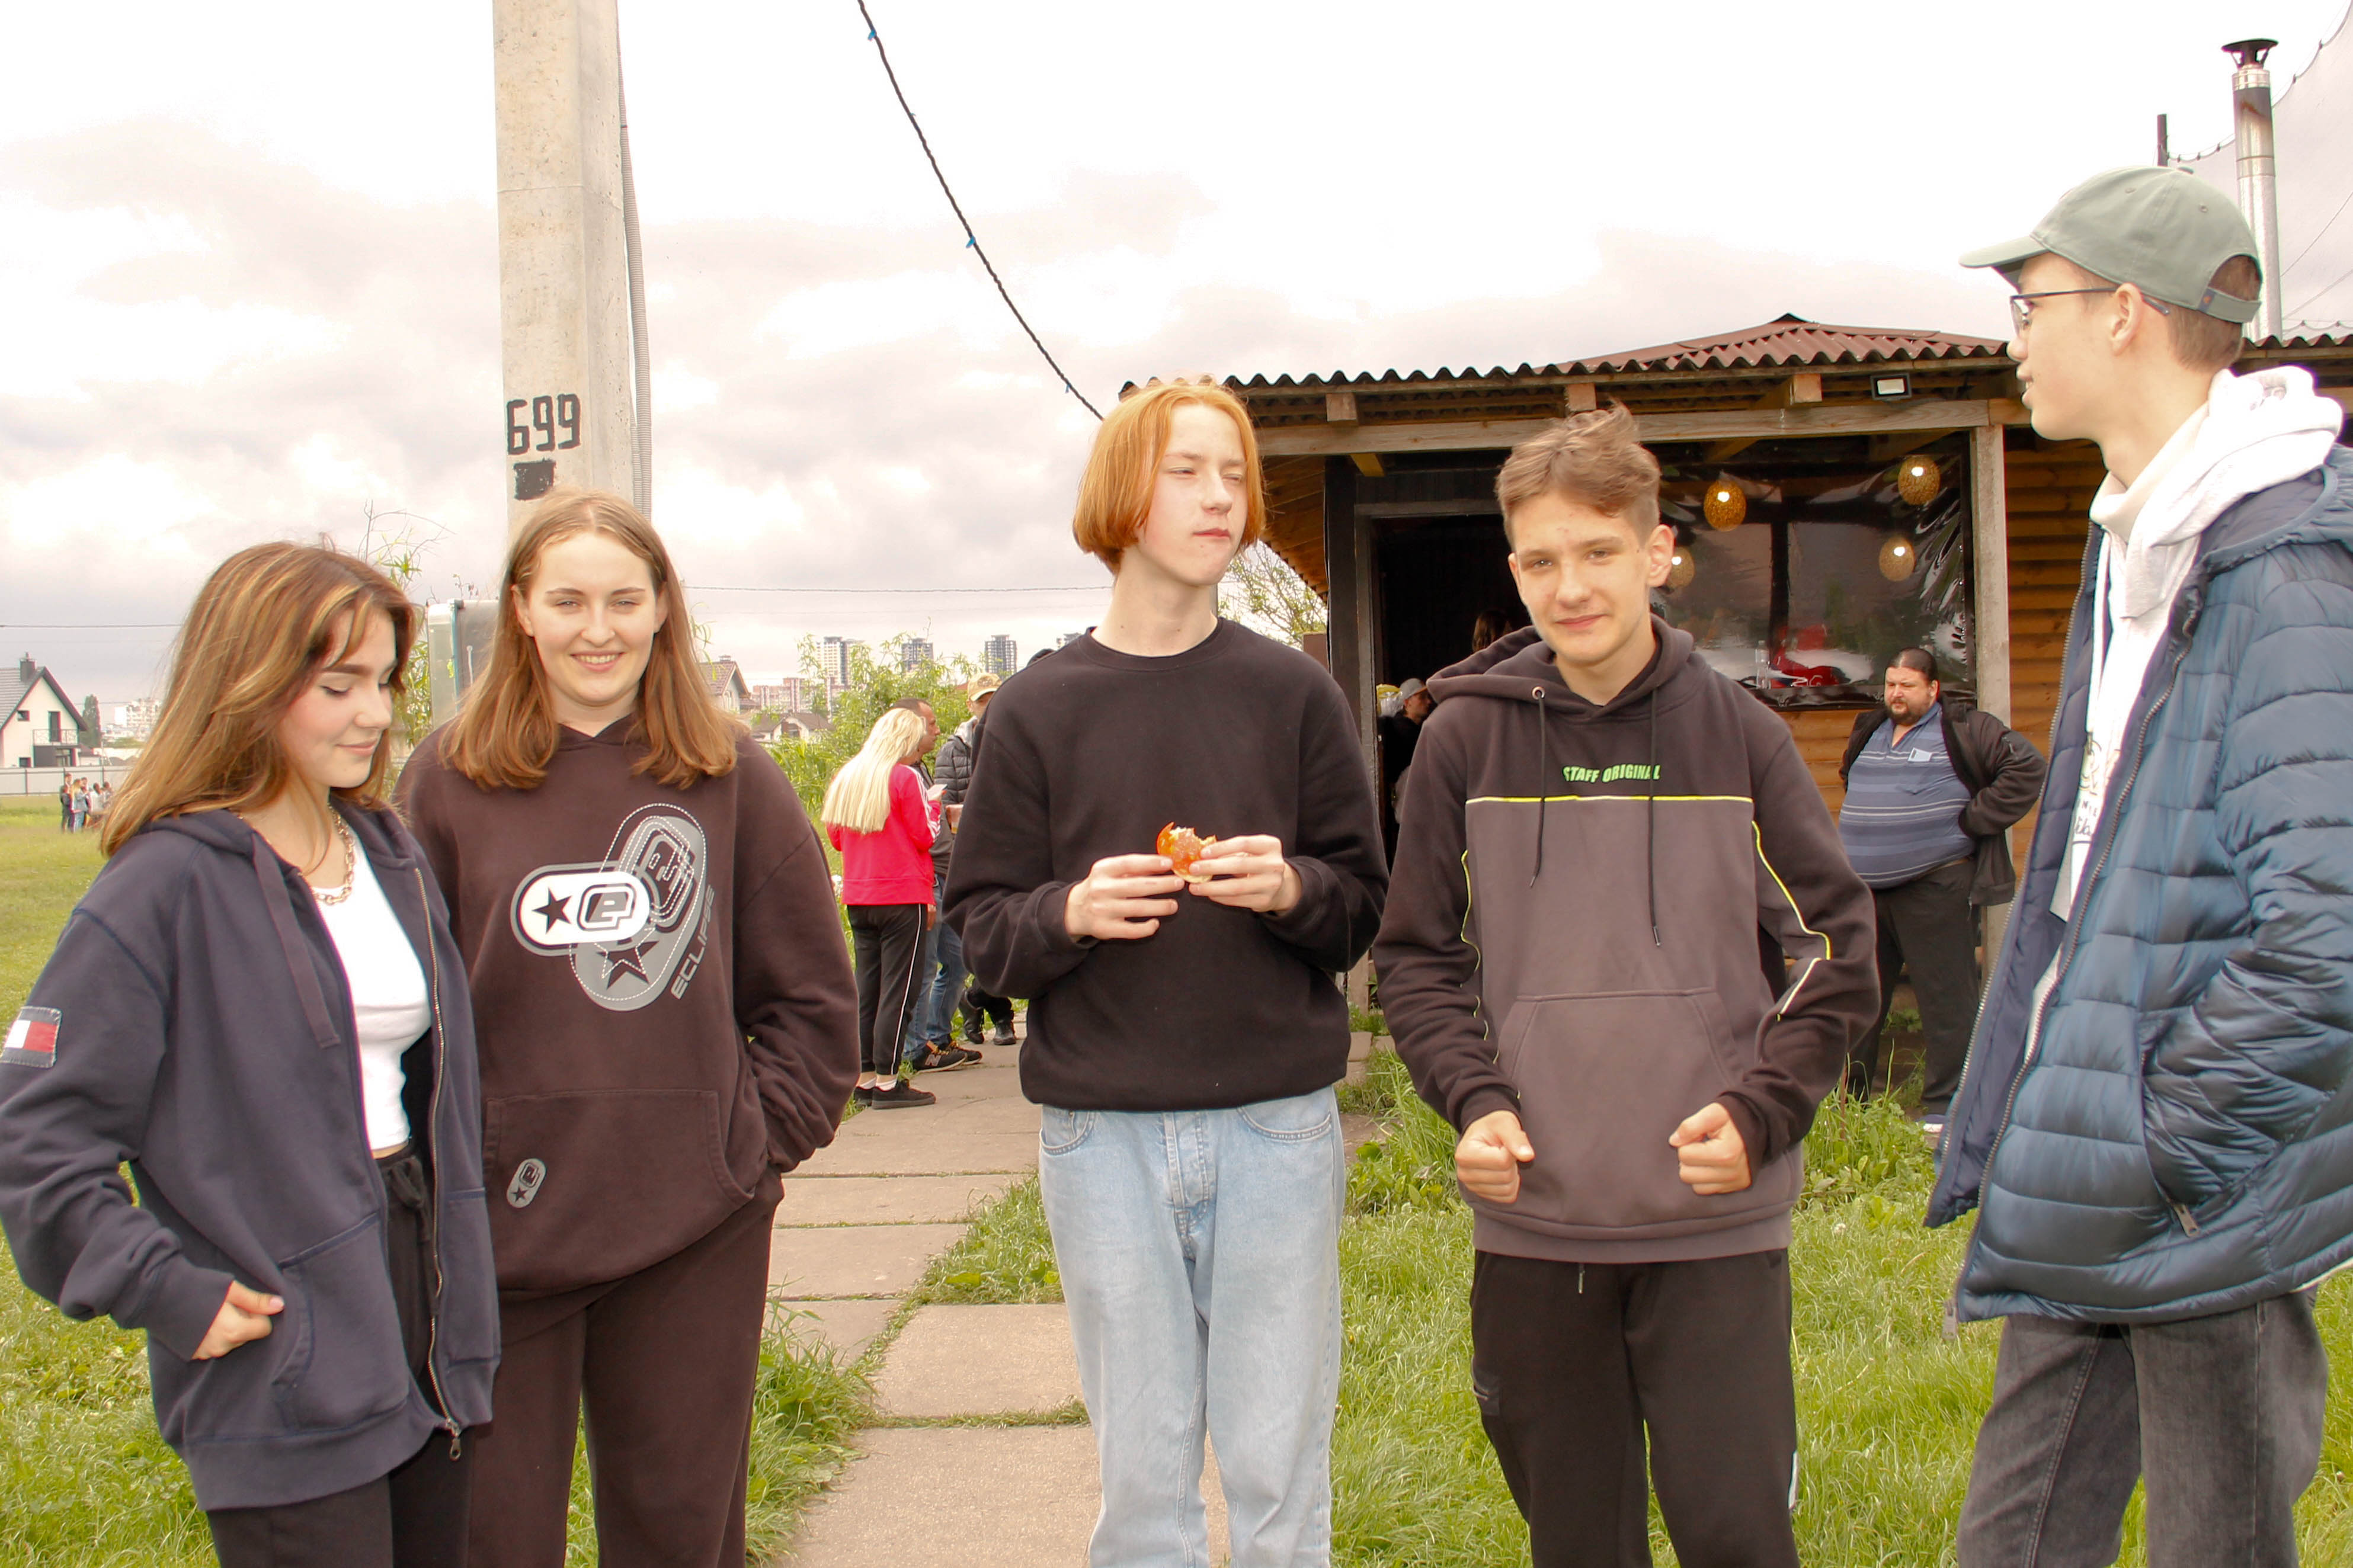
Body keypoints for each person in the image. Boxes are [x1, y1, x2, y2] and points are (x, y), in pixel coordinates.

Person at [1928, 168, 2353, 1567]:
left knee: (2213, 1540)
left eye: (2030, 304)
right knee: (2016, 1535)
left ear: (2121, 312)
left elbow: (2327, 931)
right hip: (2092, 1143)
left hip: (2189, 1176)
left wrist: (2166, 1144)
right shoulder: (2140, 540)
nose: (2014, 336)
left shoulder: (2283, 567)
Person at [1375, 405, 1876, 1568]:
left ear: (1656, 554)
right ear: (1514, 571)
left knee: (1734, 1535)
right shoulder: (1460, 745)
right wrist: (1471, 1101)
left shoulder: (1740, 736)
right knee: (1576, 1545)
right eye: (1540, 561)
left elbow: (1835, 945)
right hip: (1535, 1220)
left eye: (1597, 552)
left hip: (1712, 1222)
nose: (1570, 587)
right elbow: (1415, 956)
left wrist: (1761, 1112)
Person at [946, 379, 1387, 1567]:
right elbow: (980, 928)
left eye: (1232, 474)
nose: (1217, 497)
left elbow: (1360, 905)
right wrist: (1070, 911)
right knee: (1143, 1486)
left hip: (1276, 1127)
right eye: (1185, 471)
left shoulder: (1292, 694)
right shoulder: (1036, 708)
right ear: (1120, 495)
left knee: (1278, 1473)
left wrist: (1290, 888)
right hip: (1101, 1137)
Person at [0, 543, 498, 1566]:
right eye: (339, 685)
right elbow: (35, 1138)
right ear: (250, 681)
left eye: (383, 682)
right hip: (283, 1345)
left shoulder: (390, 854)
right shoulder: (162, 886)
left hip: (424, 1313)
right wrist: (162, 1286)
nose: (374, 713)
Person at [397, 488, 857, 1567]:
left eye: (622, 600)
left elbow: (812, 1002)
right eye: (567, 601)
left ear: (662, 608)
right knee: (490, 1538)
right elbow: (406, 1010)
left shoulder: (727, 772)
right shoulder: (447, 777)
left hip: (693, 1230)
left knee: (678, 1533)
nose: (596, 629)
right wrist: (442, 1177)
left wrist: (741, 1151)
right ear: (521, 609)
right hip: (500, 1235)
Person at [1835, 647, 2045, 1124]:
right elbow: (1854, 780)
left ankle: (1945, 1110)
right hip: (1865, 892)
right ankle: (1851, 1107)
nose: (1896, 694)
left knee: (1946, 1002)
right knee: (1858, 997)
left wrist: (1973, 820)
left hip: (1934, 885)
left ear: (1932, 689)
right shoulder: (1870, 729)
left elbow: (2028, 768)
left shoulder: (1965, 728)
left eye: (1906, 686)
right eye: (1890, 684)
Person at [823, 706, 946, 1109]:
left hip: (860, 895)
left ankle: (865, 1077)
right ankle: (889, 1082)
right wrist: (933, 805)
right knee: (900, 989)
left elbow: (837, 838)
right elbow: (925, 835)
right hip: (902, 894)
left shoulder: (849, 776)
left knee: (869, 989)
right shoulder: (904, 777)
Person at [892, 696, 982, 1074]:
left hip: (945, 873)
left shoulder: (920, 768)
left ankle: (938, 1036)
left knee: (958, 959)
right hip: (925, 879)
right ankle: (916, 1049)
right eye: (930, 723)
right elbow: (913, 833)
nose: (937, 730)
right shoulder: (898, 773)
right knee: (925, 967)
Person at [926, 674, 1000, 1049]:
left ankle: (995, 1013)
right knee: (962, 949)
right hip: (962, 855)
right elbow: (941, 809)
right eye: (982, 700)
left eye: (994, 698)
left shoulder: (1011, 736)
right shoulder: (952, 750)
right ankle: (960, 1014)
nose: (988, 706)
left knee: (996, 939)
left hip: (1005, 850)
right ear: (971, 705)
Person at [1376, 675, 1433, 855]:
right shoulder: (1402, 730)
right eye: (1421, 698)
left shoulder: (1420, 731)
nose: (1428, 702)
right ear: (1407, 703)